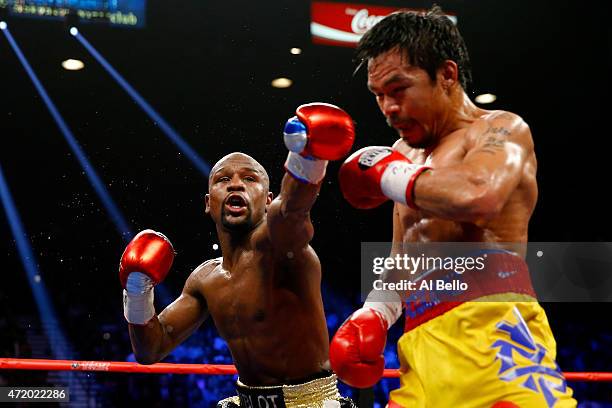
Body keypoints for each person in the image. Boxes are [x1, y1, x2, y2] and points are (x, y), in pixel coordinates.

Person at [329, 7, 577, 408]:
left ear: (446, 74)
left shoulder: (500, 130)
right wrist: (374, 313)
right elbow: (401, 258)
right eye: (378, 96)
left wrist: (391, 177)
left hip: (495, 339)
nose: (388, 107)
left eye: (398, 89)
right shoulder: (400, 154)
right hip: (421, 348)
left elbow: (480, 196)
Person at [119, 103, 357, 407]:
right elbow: (150, 349)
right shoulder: (205, 278)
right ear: (208, 202)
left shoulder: (278, 248)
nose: (235, 184)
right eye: (222, 179)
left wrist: (307, 158)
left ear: (268, 198)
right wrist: (138, 293)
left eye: (249, 179)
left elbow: (292, 211)